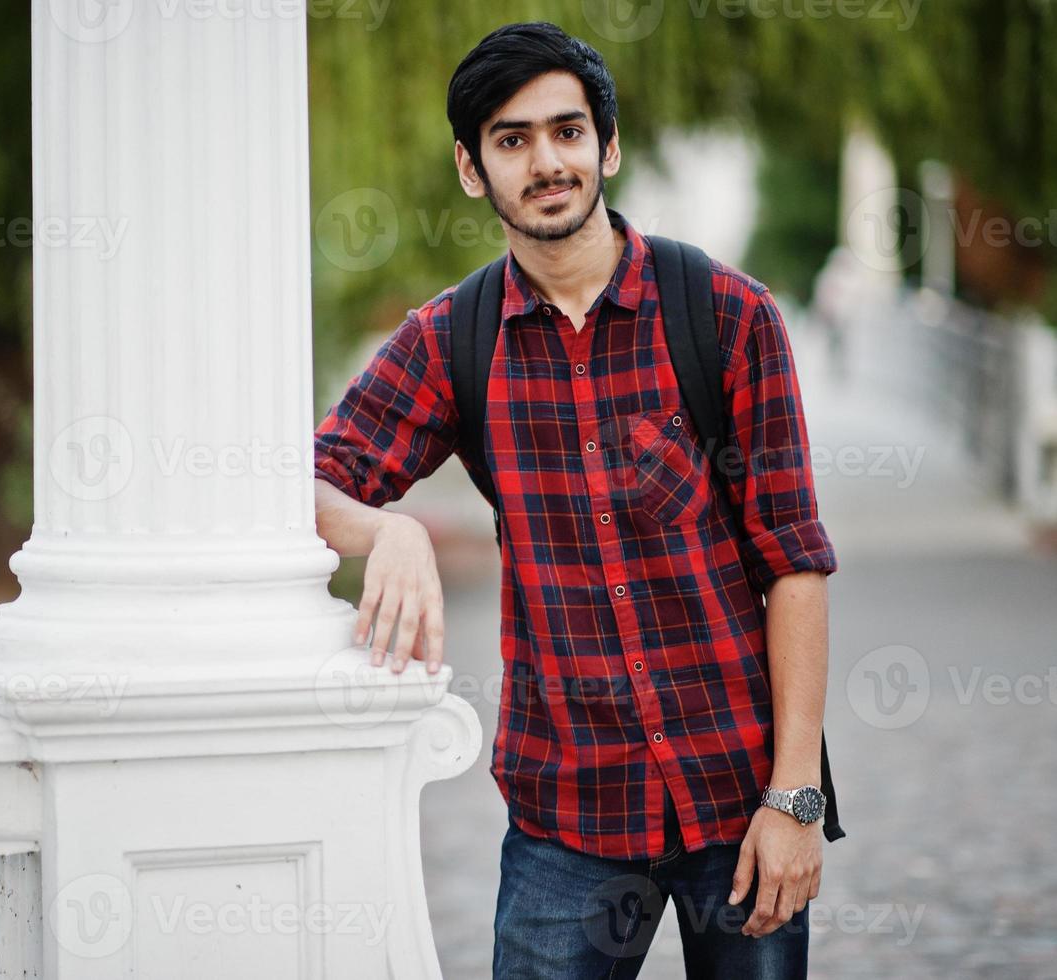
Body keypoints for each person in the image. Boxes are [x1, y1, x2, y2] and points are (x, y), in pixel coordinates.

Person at [313, 21, 838, 979]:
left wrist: (794, 798)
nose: (546, 160)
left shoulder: (726, 314)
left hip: (739, 794)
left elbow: (793, 562)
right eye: (511, 140)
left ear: (608, 146)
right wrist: (388, 527)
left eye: (566, 131)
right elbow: (307, 488)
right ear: (472, 169)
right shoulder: (451, 340)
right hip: (569, 816)